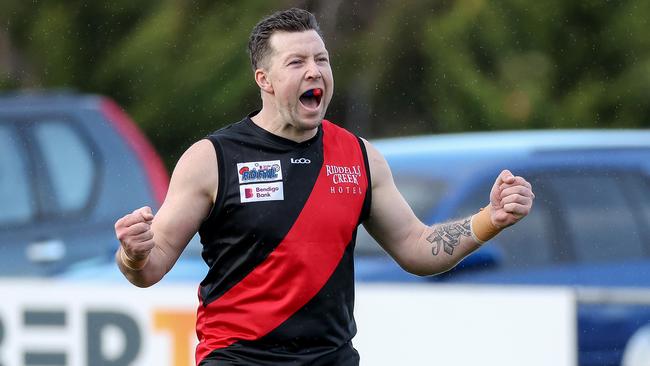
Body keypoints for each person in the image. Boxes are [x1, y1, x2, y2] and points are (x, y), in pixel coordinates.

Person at [114, 8, 534, 366]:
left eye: (322, 59)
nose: (315, 70)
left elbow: (418, 247)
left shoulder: (360, 157)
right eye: (297, 62)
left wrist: (489, 219)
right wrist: (133, 253)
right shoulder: (212, 159)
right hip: (239, 357)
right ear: (265, 79)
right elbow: (150, 267)